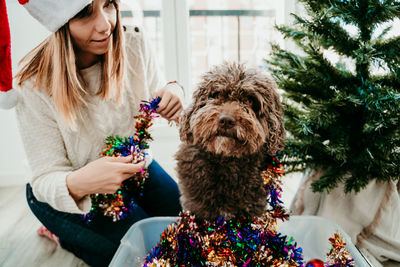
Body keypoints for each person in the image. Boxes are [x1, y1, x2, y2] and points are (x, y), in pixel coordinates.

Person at [12, 0, 183, 266]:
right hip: (66, 194)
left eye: (109, 4)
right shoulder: (33, 84)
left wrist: (174, 91)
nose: (106, 25)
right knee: (146, 256)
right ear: (60, 23)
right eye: (83, 14)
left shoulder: (134, 42)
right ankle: (64, 236)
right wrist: (83, 181)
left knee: (192, 232)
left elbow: (156, 91)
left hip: (134, 169)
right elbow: (46, 177)